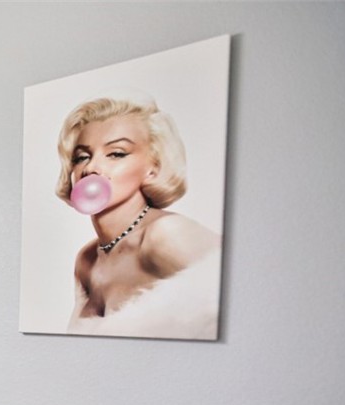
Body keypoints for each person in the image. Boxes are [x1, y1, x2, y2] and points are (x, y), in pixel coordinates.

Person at [55, 94, 222, 339]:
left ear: (153, 168)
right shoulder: (87, 259)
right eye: (82, 157)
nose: (91, 168)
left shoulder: (166, 234)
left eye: (116, 153)